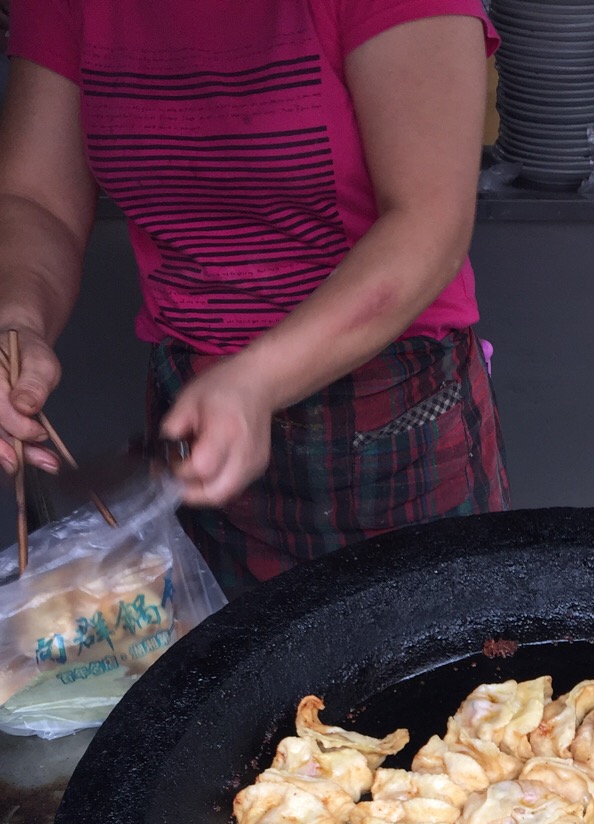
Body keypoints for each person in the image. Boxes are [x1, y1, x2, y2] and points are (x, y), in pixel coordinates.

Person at [0, 0, 508, 597]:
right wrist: (18, 322)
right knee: (235, 675)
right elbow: (37, 200)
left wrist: (259, 380)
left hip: (389, 417)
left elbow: (429, 220)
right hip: (194, 417)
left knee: (433, 670)